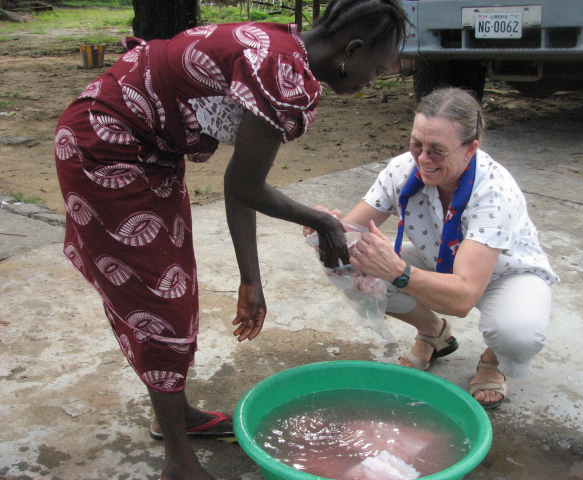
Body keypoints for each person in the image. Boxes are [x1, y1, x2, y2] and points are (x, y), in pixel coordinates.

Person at [54, 2, 408, 478]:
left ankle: (176, 416)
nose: (374, 81)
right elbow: (245, 187)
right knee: (158, 301)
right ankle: (178, 462)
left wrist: (250, 278)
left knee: (173, 289)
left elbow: (242, 179)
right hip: (105, 149)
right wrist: (322, 223)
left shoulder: (283, 50)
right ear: (353, 50)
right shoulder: (283, 74)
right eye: (377, 69)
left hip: (147, 152)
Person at [304, 87, 560, 410]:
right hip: (438, 261)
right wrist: (324, 232)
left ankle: (494, 359)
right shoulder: (402, 170)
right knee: (356, 264)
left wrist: (398, 272)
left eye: (437, 150)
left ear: (470, 150)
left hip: (507, 275)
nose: (423, 159)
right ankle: (434, 333)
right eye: (416, 145)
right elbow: (349, 237)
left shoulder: (495, 190)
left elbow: (464, 297)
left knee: (517, 333)